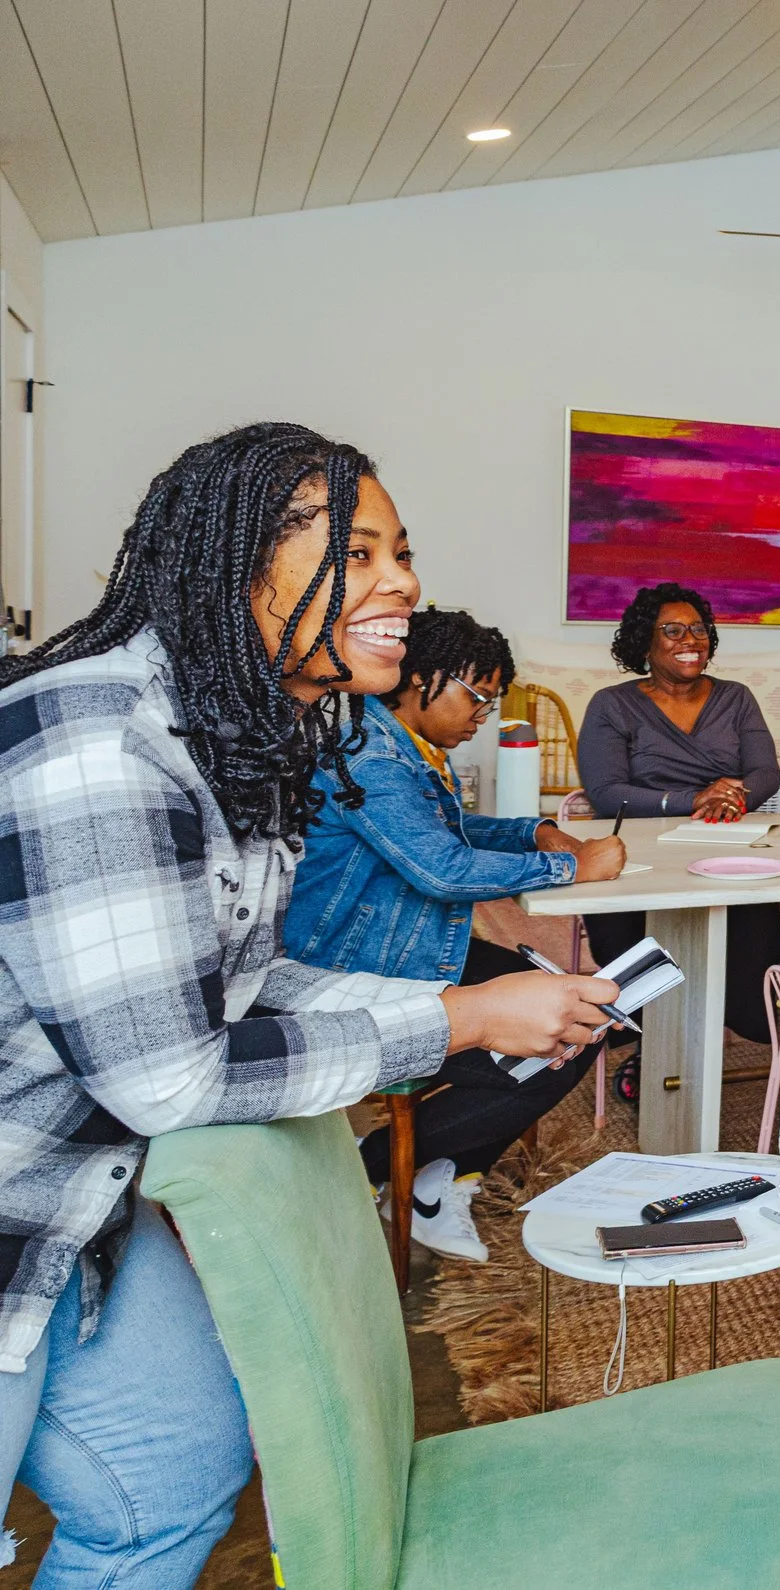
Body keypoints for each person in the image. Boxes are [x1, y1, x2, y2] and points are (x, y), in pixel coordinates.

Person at [0, 423, 614, 1586]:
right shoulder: (99, 744)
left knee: (174, 1485)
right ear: (238, 568)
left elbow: (236, 973)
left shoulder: (241, 731)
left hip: (74, 1211)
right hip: (18, 1192)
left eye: (403, 551)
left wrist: (456, 1001)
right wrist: (466, 1020)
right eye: (361, 551)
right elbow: (167, 1075)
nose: (405, 583)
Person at [289, 609, 629, 1260]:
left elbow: (452, 832)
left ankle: (433, 1176)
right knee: (569, 1034)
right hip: (358, 968)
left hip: (407, 947)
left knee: (572, 1017)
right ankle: (382, 1161)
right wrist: (572, 865)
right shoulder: (371, 754)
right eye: (477, 696)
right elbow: (441, 868)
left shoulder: (399, 745)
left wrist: (532, 831)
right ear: (419, 680)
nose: (485, 715)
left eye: (492, 700)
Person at [575, 582, 780, 1043]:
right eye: (672, 630)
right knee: (631, 958)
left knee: (752, 956)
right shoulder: (613, 705)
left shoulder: (736, 697)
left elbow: (766, 773)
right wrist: (693, 800)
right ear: (644, 642)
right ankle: (655, 1043)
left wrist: (735, 798)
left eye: (698, 629)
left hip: (723, 844)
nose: (690, 640)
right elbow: (608, 793)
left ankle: (721, 1024)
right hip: (637, 854)